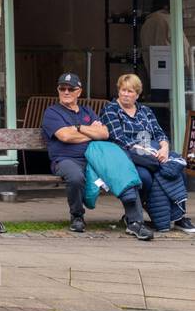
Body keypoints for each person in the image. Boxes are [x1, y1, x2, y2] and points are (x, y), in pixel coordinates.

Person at [42, 73, 152, 240]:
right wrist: (90, 131)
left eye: (71, 89)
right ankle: (77, 216)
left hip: (95, 157)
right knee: (75, 176)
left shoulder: (87, 111)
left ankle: (135, 222)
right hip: (66, 159)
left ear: (79, 92)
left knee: (123, 170)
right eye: (62, 88)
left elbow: (104, 133)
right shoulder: (52, 113)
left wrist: (78, 127)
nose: (66, 92)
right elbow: (65, 136)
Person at [101, 74, 194, 234]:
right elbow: (119, 139)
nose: (125, 94)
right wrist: (151, 154)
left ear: (137, 94)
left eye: (130, 91)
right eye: (123, 90)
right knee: (145, 177)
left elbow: (159, 133)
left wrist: (164, 148)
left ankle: (178, 217)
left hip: (153, 153)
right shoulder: (111, 110)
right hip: (129, 156)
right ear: (118, 91)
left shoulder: (145, 110)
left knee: (177, 171)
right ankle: (137, 215)